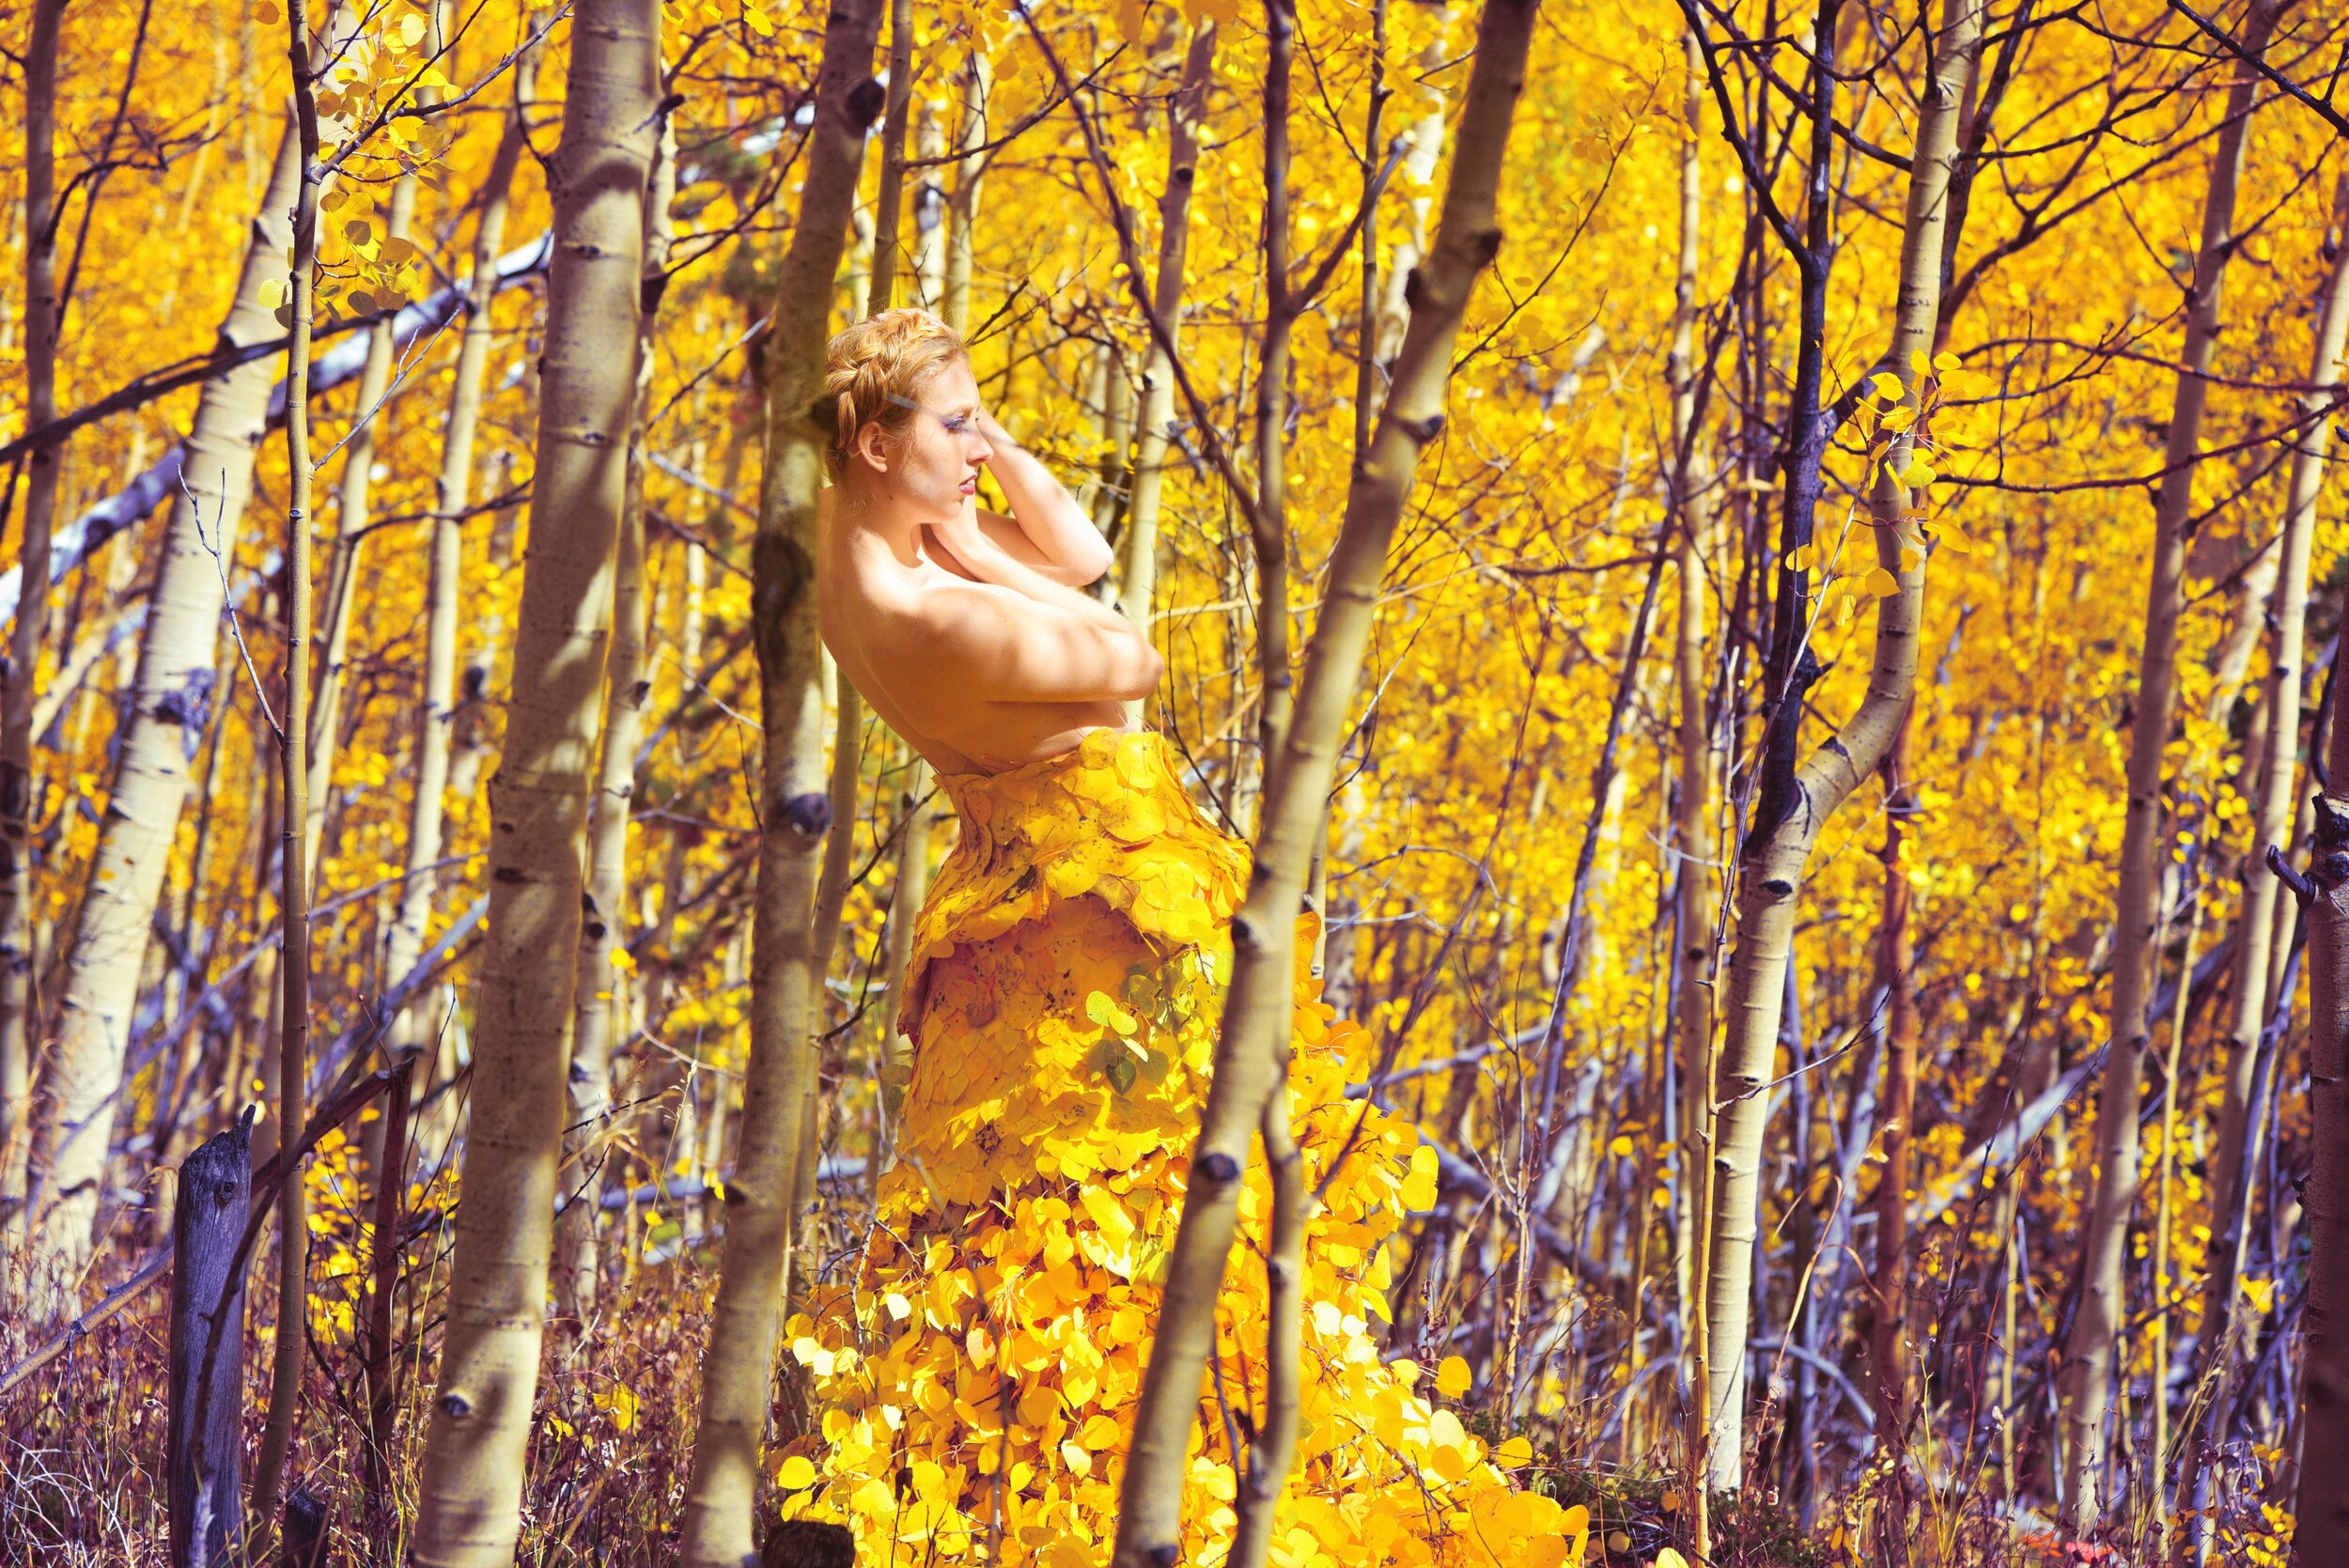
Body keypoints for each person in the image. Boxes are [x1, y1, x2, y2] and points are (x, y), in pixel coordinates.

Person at [796, 308, 1573, 1566]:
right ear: (878, 444)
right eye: (955, 424)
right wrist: (985, 552)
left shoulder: (871, 549)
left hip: (1034, 908)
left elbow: (1087, 554)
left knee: (1080, 1218)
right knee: (1142, 1214)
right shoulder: (925, 605)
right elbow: (1129, 650)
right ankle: (1151, 1503)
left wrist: (977, 471)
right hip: (1103, 934)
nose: (980, 445)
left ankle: (1126, 1492)